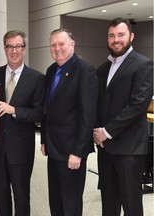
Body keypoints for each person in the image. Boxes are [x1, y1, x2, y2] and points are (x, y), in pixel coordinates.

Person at [93, 17, 153, 216]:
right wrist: (97, 131)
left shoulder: (144, 65)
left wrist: (107, 132)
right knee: (108, 204)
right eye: (111, 35)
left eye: (120, 34)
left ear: (131, 36)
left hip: (129, 149)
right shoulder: (102, 69)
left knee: (131, 205)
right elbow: (98, 105)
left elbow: (137, 105)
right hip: (106, 148)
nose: (115, 39)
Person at [0, 30, 45, 216]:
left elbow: (39, 113)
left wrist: (15, 111)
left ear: (24, 49)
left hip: (21, 150)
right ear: (4, 49)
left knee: (21, 197)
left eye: (18, 46)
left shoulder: (36, 78)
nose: (14, 51)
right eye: (10, 46)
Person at [41, 29, 98, 216]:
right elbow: (46, 109)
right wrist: (43, 139)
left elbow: (87, 115)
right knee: (55, 200)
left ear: (72, 45)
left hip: (72, 151)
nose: (57, 49)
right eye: (53, 45)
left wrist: (78, 152)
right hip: (54, 148)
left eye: (61, 44)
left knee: (70, 204)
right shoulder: (51, 71)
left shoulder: (85, 70)